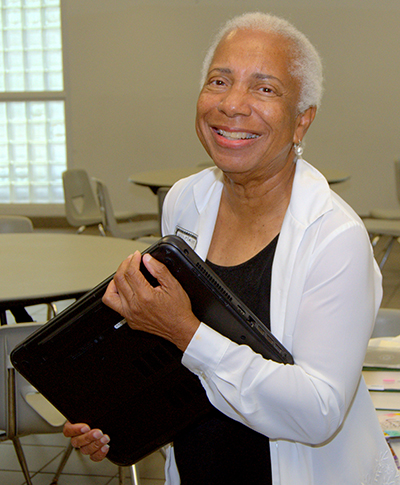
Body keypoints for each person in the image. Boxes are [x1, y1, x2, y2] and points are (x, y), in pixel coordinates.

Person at [63, 12, 400, 484]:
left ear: (302, 121)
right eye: (219, 81)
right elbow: (182, 368)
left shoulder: (334, 236)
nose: (232, 104)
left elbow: (318, 413)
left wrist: (186, 331)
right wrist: (117, 413)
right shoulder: (185, 200)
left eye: (264, 89)